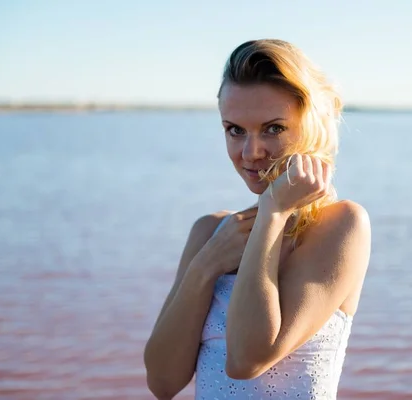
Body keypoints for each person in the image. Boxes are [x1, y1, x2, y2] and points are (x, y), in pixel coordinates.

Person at [143, 39, 371, 400]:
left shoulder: (341, 226)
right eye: (235, 130)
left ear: (314, 124)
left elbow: (248, 359)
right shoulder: (211, 233)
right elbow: (163, 383)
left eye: (273, 128)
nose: (251, 153)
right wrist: (206, 265)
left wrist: (274, 211)